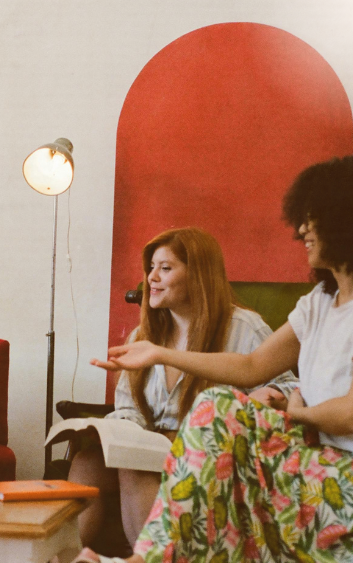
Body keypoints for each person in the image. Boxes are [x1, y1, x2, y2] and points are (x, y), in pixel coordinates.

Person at [75, 155, 353, 563]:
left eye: (314, 218)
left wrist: (299, 413)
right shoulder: (318, 304)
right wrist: (159, 352)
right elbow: (251, 367)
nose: (302, 230)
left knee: (217, 407)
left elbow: (348, 415)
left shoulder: (246, 322)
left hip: (339, 469)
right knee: (216, 404)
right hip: (302, 451)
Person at [67, 227, 297, 554]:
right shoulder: (141, 337)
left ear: (198, 275)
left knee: (134, 465)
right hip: (152, 444)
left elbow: (286, 384)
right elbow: (128, 408)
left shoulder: (243, 326)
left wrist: (264, 397)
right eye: (150, 268)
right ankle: (69, 557)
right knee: (87, 462)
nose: (151, 278)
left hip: (206, 453)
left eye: (165, 268)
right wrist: (121, 433)